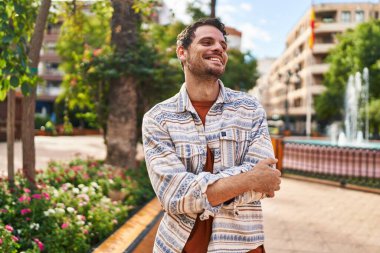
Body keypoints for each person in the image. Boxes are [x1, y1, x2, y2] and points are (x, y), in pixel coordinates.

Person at [142, 17, 281, 253]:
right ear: (182, 53)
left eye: (223, 45)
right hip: (179, 246)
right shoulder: (158, 118)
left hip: (242, 245)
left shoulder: (250, 109)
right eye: (207, 42)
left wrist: (200, 192)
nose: (218, 48)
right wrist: (248, 179)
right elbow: (174, 196)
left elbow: (265, 181)